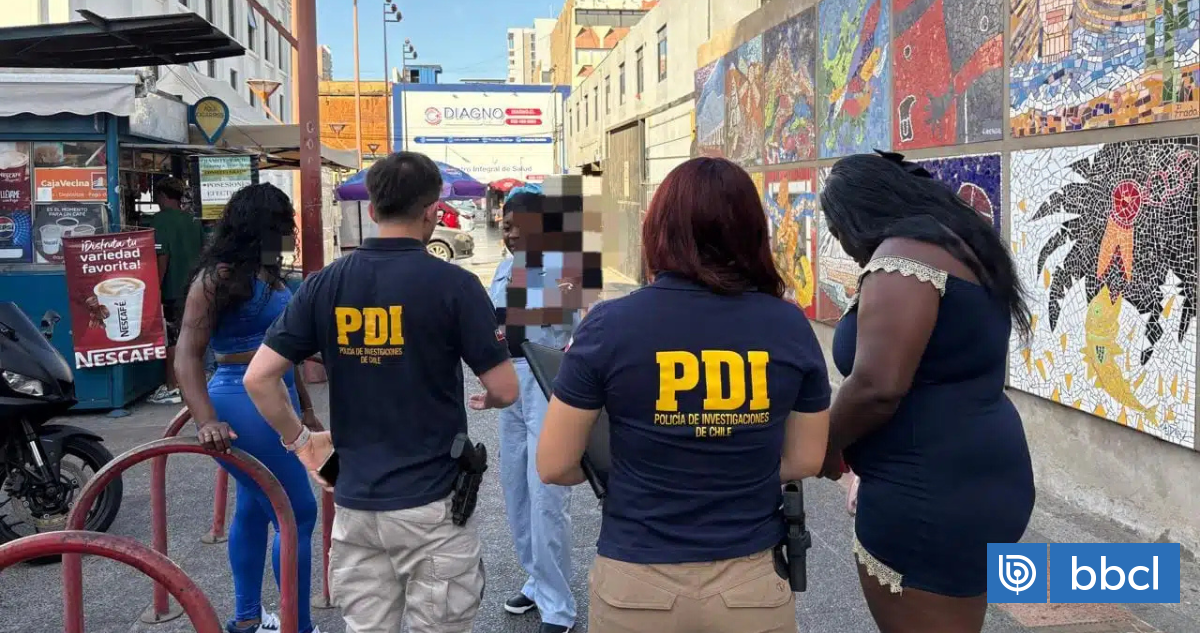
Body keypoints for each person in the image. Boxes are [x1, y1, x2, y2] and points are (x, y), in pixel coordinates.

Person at [535, 157, 831, 633]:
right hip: (749, 585)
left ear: (658, 230)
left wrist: (646, 474)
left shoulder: (610, 326)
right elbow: (807, 458)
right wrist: (731, 470)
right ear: (751, 231)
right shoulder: (788, 325)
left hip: (636, 584)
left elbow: (554, 464)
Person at [242, 151, 520, 633]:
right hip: (433, 505)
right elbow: (505, 388)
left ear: (372, 210)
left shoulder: (324, 284)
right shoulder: (455, 285)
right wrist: (490, 399)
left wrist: (303, 443)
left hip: (355, 507)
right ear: (432, 211)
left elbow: (258, 379)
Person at [818, 152, 1035, 633]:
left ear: (859, 214)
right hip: (981, 483)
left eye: (839, 232)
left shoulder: (902, 258)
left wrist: (825, 446)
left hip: (927, 500)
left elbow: (877, 386)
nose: (847, 249)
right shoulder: (963, 247)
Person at [174, 183, 321, 633]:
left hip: (278, 395)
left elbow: (283, 350)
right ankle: (298, 626)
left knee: (255, 509)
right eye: (284, 222)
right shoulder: (217, 278)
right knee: (297, 512)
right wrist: (206, 420)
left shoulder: (270, 274)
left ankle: (248, 619)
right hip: (239, 398)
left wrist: (306, 409)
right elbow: (187, 355)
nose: (290, 231)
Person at [488, 186, 577, 633]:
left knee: (545, 494)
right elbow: (495, 331)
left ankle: (558, 604)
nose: (511, 235)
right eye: (506, 227)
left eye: (520, 227)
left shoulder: (565, 271)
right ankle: (536, 579)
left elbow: (581, 329)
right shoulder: (503, 271)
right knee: (516, 490)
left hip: (547, 381)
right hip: (510, 386)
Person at [148, 176, 203, 404]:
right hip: (194, 288)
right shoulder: (193, 221)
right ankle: (193, 384)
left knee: (172, 339)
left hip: (171, 290)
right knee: (192, 337)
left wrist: (154, 288)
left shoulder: (160, 220)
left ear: (162, 195)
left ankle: (173, 386)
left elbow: (162, 256)